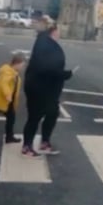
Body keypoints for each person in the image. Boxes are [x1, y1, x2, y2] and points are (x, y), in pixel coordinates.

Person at [21, 16, 72, 157]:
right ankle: (27, 146)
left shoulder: (45, 41)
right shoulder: (44, 43)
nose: (60, 33)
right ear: (53, 31)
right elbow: (45, 67)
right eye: (59, 30)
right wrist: (64, 74)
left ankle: (44, 142)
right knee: (35, 116)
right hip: (40, 88)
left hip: (46, 88)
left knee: (52, 113)